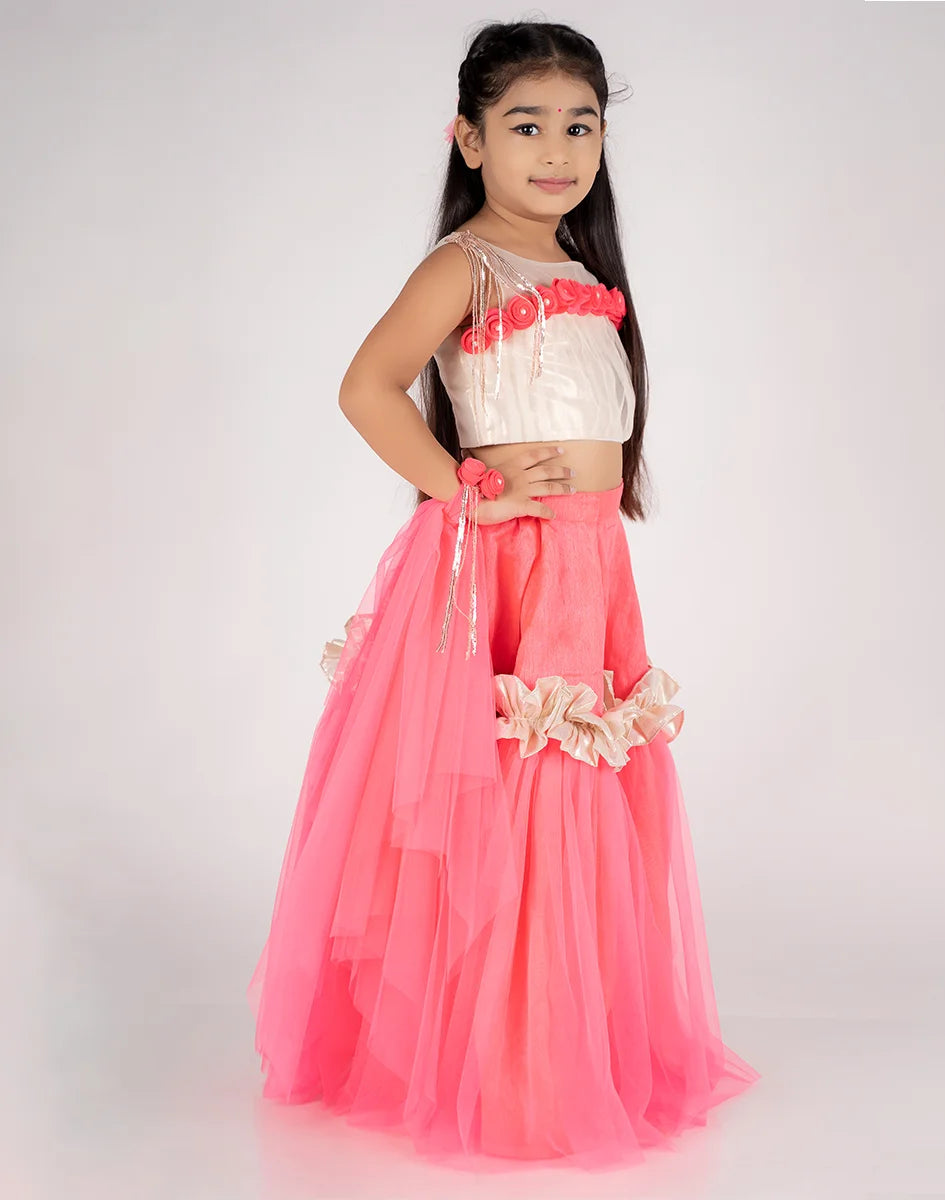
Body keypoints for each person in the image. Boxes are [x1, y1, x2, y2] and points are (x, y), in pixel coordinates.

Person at [247, 18, 760, 1169]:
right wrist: (464, 491)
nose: (558, 149)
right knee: (523, 786)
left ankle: (558, 1043)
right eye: (526, 126)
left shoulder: (581, 273)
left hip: (586, 561)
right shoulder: (466, 265)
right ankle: (512, 1069)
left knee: (577, 786)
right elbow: (368, 386)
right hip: (510, 563)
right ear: (469, 139)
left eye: (581, 125)